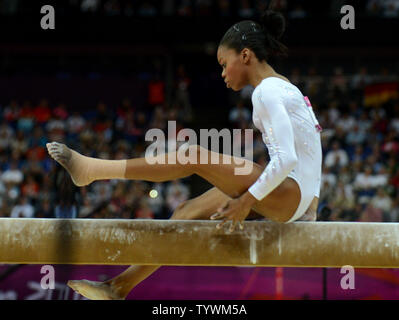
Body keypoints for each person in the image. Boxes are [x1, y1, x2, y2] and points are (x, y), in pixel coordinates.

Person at [45, 9, 322, 300]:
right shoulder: (285, 88)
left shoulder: (266, 91)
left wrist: (246, 203)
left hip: (291, 194)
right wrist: (309, 208)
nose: (223, 73)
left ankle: (93, 170)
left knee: (193, 155)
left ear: (245, 55)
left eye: (224, 64)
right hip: (297, 196)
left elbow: (288, 158)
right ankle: (118, 287)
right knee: (185, 213)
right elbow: (310, 153)